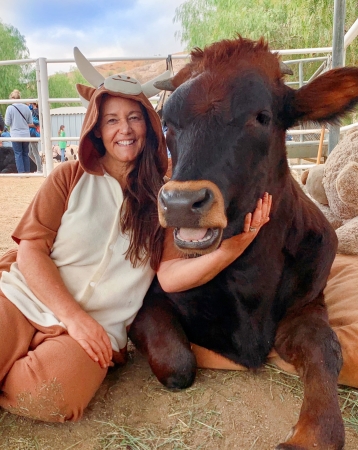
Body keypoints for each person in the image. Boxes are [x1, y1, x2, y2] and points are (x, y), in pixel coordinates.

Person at [4, 89, 32, 173]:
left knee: (18, 154)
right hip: (26, 134)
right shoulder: (26, 107)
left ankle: (21, 172)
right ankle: (27, 172)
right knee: (25, 154)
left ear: (12, 98)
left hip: (16, 134)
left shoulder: (10, 108)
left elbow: (7, 122)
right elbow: (30, 121)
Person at [28, 103, 42, 173]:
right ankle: (40, 166)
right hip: (32, 134)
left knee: (34, 152)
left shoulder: (35, 112)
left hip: (33, 134)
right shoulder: (34, 111)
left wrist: (26, 124)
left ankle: (40, 169)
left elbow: (36, 124)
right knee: (30, 153)